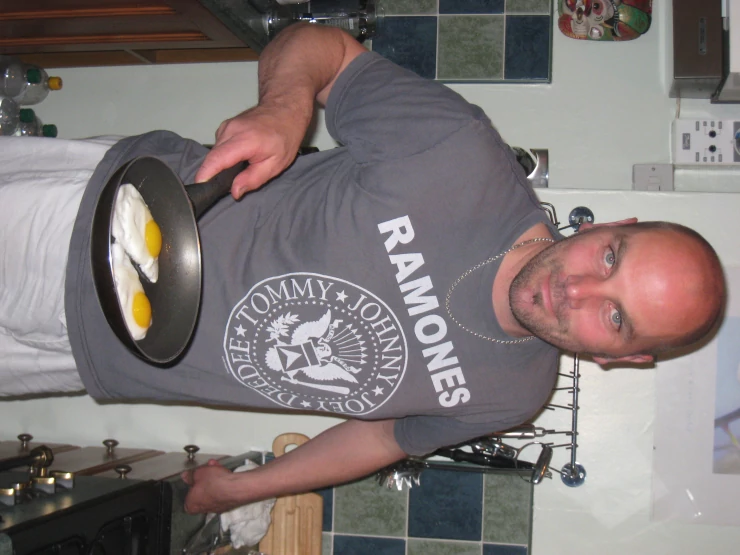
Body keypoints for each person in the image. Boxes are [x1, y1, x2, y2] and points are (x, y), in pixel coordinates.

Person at [0, 23, 725, 516]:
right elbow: (321, 48)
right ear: (611, 227)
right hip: (97, 223)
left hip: (102, 358)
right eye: (611, 258)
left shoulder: (514, 395)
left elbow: (378, 437)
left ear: (620, 356)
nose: (578, 288)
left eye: (615, 315)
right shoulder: (459, 154)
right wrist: (287, 104)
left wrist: (246, 488)